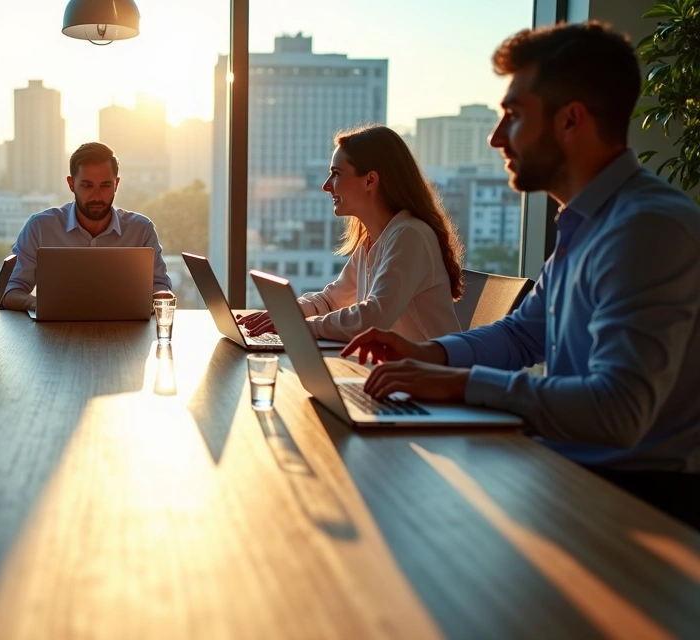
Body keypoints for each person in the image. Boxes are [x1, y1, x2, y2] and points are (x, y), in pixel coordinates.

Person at [344, 22, 700, 529]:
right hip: (568, 472)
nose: (495, 137)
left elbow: (619, 411)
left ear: (570, 121)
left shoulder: (647, 228)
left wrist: (459, 384)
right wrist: (430, 356)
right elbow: (522, 334)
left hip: (635, 505)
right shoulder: (587, 222)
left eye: (513, 115)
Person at [237, 125, 464, 343]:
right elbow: (333, 300)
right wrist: (284, 314)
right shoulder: (373, 240)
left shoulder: (410, 236)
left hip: (428, 378)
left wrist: (303, 327)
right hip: (394, 373)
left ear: (370, 180)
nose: (326, 186)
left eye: (336, 174)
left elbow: (374, 318)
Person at [1, 142, 173, 312]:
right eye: (87, 185)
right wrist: (42, 306)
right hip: (55, 335)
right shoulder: (39, 227)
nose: (97, 196)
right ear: (71, 184)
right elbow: (9, 291)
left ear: (116, 184)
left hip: (127, 333)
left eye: (105, 185)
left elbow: (160, 285)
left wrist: (161, 295)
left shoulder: (141, 230)